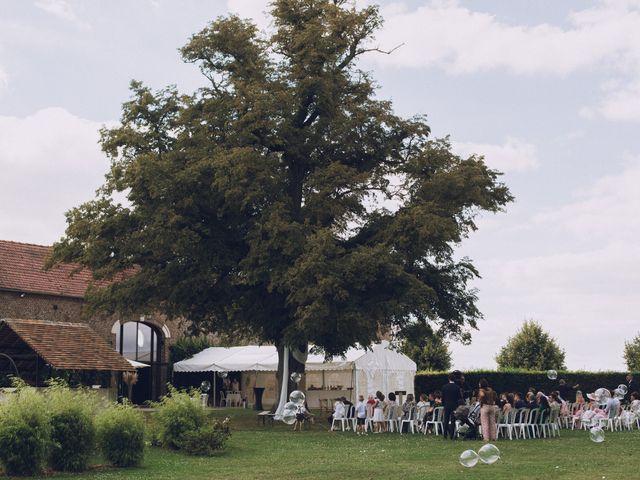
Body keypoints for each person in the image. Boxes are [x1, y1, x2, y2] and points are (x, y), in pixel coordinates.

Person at [441, 372, 464, 440]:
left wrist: (444, 404)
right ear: (455, 379)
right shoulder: (457, 387)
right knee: (453, 420)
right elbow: (459, 397)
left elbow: (443, 397)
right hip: (454, 406)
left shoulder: (444, 387)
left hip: (447, 405)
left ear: (448, 379)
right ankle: (451, 435)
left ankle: (445, 435)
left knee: (446, 420)